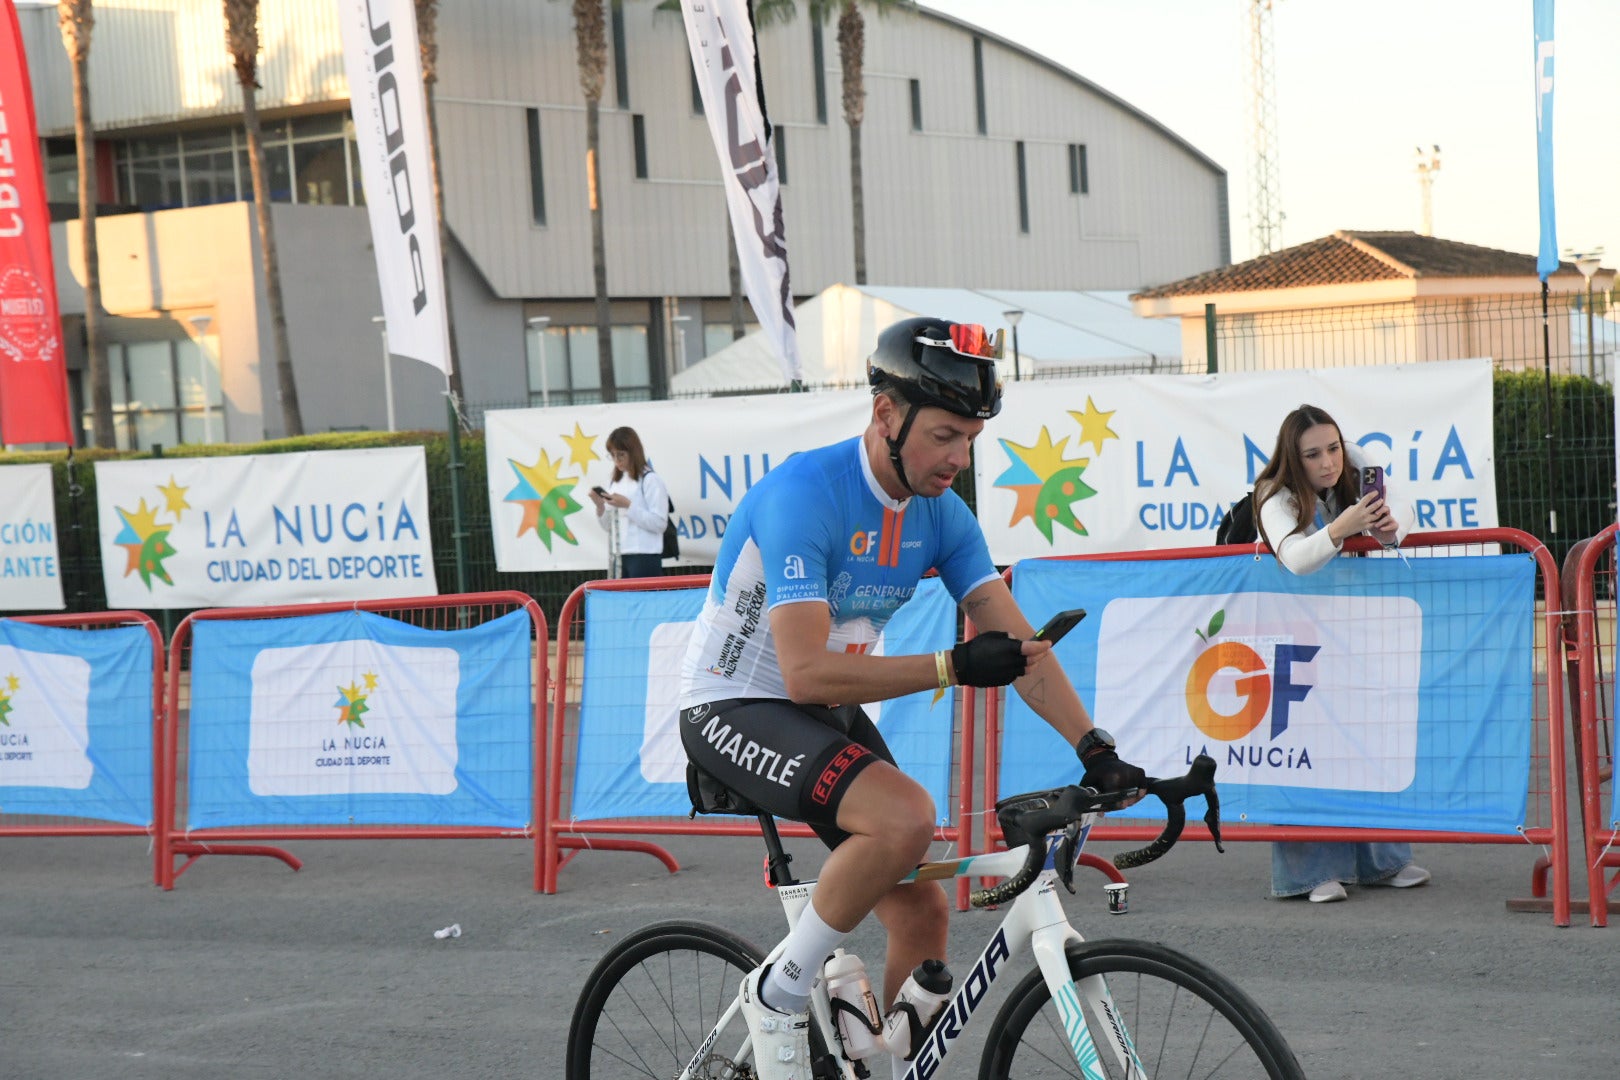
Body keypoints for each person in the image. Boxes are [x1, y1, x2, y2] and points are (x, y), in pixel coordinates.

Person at [678, 316, 1146, 1078]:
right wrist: (953, 666)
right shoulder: (806, 493)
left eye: (971, 440)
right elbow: (804, 673)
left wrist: (1096, 748)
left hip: (819, 710)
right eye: (943, 437)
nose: (959, 460)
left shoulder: (941, 515)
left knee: (924, 912)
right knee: (905, 816)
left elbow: (1022, 651)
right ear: (886, 415)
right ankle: (780, 990)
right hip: (734, 704)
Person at [1254, 403, 1432, 904]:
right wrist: (1343, 525)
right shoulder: (1274, 494)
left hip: (1349, 632)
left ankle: (1382, 861)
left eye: (1333, 448)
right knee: (1303, 747)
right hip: (1288, 633)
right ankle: (1309, 873)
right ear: (1295, 458)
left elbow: (1404, 515)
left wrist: (1391, 528)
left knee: (1366, 735)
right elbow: (1295, 559)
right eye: (1313, 454)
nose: (1328, 462)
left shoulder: (1358, 469)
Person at [587, 426, 670, 580]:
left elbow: (660, 523)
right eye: (612, 455)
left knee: (644, 602)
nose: (616, 460)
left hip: (644, 554)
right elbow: (609, 527)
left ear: (634, 452)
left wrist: (628, 506)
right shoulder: (615, 482)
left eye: (621, 455)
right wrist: (600, 506)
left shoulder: (650, 480)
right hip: (619, 555)